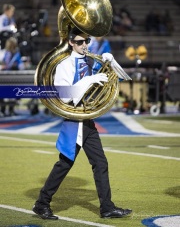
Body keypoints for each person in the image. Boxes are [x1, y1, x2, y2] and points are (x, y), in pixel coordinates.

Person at [32, 27, 132, 220]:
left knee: (99, 162)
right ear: (70, 42)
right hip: (74, 120)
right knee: (65, 163)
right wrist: (91, 79)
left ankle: (107, 207)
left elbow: (121, 77)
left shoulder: (89, 61)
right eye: (79, 42)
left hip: (87, 120)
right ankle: (41, 203)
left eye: (86, 41)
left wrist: (111, 62)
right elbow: (66, 96)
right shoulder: (64, 65)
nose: (84, 45)